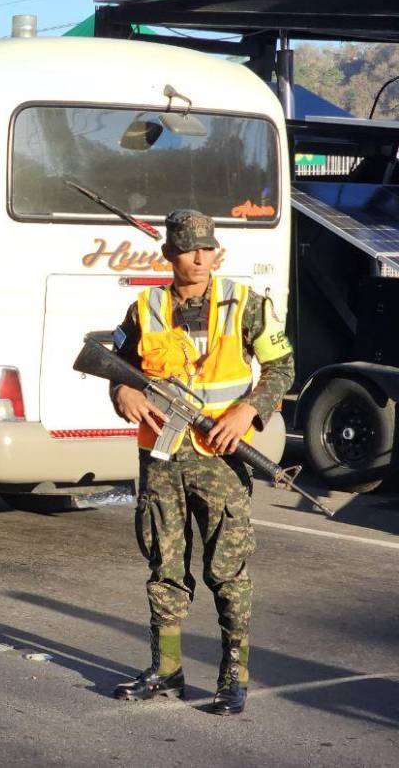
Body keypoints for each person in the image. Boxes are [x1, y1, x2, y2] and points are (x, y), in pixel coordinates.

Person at [108, 209, 294, 716]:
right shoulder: (144, 307)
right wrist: (123, 389)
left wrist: (249, 410)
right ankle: (166, 669)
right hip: (162, 458)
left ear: (218, 253)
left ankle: (235, 675)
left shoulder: (245, 305)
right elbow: (117, 367)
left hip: (221, 459)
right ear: (169, 254)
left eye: (207, 248)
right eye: (188, 248)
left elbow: (282, 367)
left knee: (227, 571)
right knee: (163, 566)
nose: (199, 257)